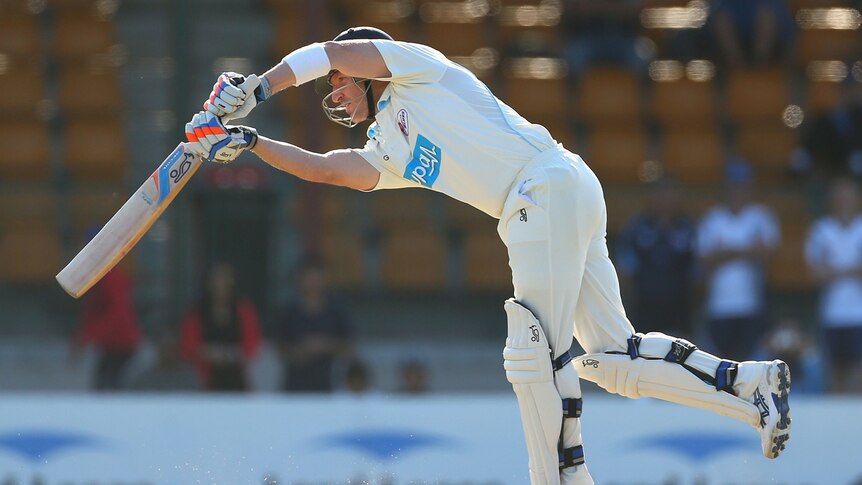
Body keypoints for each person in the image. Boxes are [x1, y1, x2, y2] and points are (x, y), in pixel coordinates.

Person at [180, 26, 791, 483]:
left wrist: (259, 86)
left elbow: (332, 54)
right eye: (335, 85)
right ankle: (751, 386)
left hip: (541, 189)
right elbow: (329, 170)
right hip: (556, 193)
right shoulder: (386, 143)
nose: (335, 89)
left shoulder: (417, 67)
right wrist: (251, 141)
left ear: (370, 69)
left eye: (341, 83)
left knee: (533, 355)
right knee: (611, 360)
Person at [696, 160, 780, 362]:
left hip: (752, 304)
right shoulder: (712, 218)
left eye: (742, 185)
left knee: (752, 360)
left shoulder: (761, 216)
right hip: (719, 306)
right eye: (734, 184)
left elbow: (767, 253)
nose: (738, 190)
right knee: (720, 361)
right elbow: (705, 258)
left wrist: (725, 252)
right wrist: (747, 250)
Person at [615, 177, 697, 338]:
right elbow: (625, 269)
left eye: (670, 194)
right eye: (660, 194)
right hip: (645, 305)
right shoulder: (636, 226)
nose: (665, 199)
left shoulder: (688, 227)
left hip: (679, 305)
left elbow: (697, 268)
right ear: (650, 197)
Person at [804, 177, 862, 393]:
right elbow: (816, 274)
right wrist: (852, 269)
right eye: (839, 197)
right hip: (832, 315)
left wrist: (834, 270)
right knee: (833, 376)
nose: (844, 202)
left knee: (858, 376)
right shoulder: (821, 230)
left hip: (859, 315)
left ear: (857, 199)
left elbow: (826, 270)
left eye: (848, 197)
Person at [271, 258, 354, 392]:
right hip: (294, 385)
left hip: (329, 384)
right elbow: (278, 347)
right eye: (309, 278)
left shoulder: (337, 313)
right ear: (300, 280)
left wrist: (323, 346)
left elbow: (349, 347)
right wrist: (299, 352)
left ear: (325, 280)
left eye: (317, 278)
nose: (313, 283)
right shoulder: (289, 313)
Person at [179, 262, 262, 392]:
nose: (220, 284)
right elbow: (188, 347)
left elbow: (252, 345)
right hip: (203, 382)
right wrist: (208, 353)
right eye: (216, 279)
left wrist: (227, 355)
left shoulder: (244, 311)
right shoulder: (196, 313)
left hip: (238, 380)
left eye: (225, 279)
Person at [70, 262, 141, 391]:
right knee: (106, 382)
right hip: (113, 342)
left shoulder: (109, 278)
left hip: (121, 342)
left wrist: (89, 336)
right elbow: (91, 312)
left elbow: (118, 313)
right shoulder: (101, 279)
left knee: (107, 383)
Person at [707, 0, 795, 68]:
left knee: (767, 17)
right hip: (728, 50)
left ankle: (760, 65)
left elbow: (773, 18)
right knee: (721, 20)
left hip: (776, 45)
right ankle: (736, 67)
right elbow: (718, 17)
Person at [129, 332, 202, 392]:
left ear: (177, 350)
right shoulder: (145, 378)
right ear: (158, 350)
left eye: (170, 348)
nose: (167, 353)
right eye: (164, 348)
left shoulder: (189, 377)